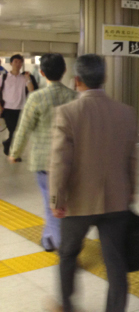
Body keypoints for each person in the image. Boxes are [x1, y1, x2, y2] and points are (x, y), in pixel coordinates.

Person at [49, 54, 138, 312]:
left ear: (77, 80)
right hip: (116, 200)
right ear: (104, 78)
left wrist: (57, 200)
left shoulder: (67, 113)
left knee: (68, 254)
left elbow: (60, 162)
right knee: (116, 263)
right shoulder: (126, 112)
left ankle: (67, 305)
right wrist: (130, 192)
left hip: (78, 202)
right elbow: (132, 158)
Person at [8, 54, 77, 252]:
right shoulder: (74, 97)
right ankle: (48, 238)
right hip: (69, 160)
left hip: (44, 161)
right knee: (61, 203)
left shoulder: (36, 98)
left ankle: (63, 248)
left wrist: (14, 152)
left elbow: (23, 129)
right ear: (64, 71)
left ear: (42, 72)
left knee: (51, 204)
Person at [0, 54, 36, 155]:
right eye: (16, 62)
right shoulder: (4, 77)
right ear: (11, 63)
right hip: (8, 108)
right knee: (14, 131)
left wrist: (28, 78)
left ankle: (8, 144)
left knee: (18, 132)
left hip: (21, 108)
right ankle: (12, 152)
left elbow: (31, 90)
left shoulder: (24, 78)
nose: (18, 64)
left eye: (20, 62)